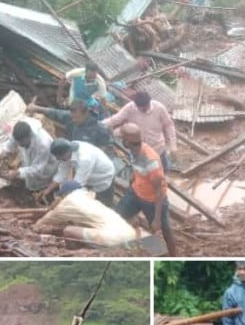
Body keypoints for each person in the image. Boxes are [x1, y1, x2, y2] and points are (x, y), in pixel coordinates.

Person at [114, 123, 177, 255]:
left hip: (152, 201)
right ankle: (138, 231)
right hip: (136, 192)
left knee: (161, 230)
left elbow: (159, 191)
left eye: (122, 138)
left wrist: (157, 219)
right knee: (118, 215)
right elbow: (136, 168)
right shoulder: (133, 150)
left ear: (127, 142)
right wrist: (132, 181)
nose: (120, 140)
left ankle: (170, 256)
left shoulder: (150, 162)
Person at [33, 180, 139, 247]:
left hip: (112, 239)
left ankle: (75, 251)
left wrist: (51, 210)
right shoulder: (87, 196)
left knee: (68, 230)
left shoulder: (66, 204)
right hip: (130, 233)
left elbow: (40, 223)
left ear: (65, 194)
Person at [102, 90, 177, 171]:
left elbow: (169, 126)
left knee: (163, 170)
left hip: (157, 148)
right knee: (142, 172)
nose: (142, 109)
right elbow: (116, 119)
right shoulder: (130, 107)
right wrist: (100, 125)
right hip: (138, 150)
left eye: (144, 107)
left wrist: (173, 146)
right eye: (139, 107)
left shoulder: (159, 108)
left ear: (149, 102)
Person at [44, 139, 117, 207]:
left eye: (60, 158)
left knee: (102, 206)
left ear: (66, 153)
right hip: (88, 177)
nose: (59, 160)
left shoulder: (85, 159)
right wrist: (47, 190)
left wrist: (59, 196)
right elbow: (62, 173)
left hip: (103, 177)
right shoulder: (68, 151)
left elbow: (77, 183)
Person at [27, 99, 114, 150]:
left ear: (86, 114)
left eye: (77, 118)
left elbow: (106, 148)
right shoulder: (70, 117)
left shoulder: (99, 129)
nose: (74, 120)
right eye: (72, 117)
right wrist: (36, 108)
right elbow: (55, 112)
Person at [3, 120, 57, 199]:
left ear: (29, 136)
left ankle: (41, 195)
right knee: (28, 179)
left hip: (45, 169)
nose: (20, 145)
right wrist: (5, 151)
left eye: (22, 142)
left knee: (38, 186)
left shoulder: (43, 144)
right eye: (18, 142)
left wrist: (18, 172)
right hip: (30, 162)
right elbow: (11, 143)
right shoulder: (18, 132)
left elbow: (37, 169)